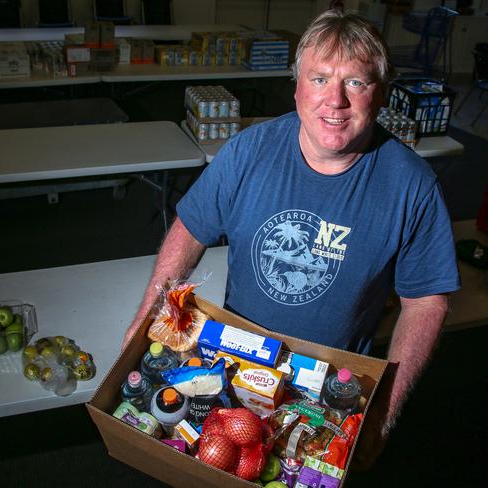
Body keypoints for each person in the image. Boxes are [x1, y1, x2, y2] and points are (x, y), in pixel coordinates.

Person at [122, 10, 460, 468]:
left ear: (378, 94)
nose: (334, 100)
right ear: (296, 86)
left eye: (355, 83)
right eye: (319, 79)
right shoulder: (248, 151)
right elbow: (190, 228)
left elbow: (426, 303)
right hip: (232, 367)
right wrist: (146, 319)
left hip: (329, 388)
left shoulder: (412, 185)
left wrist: (382, 412)